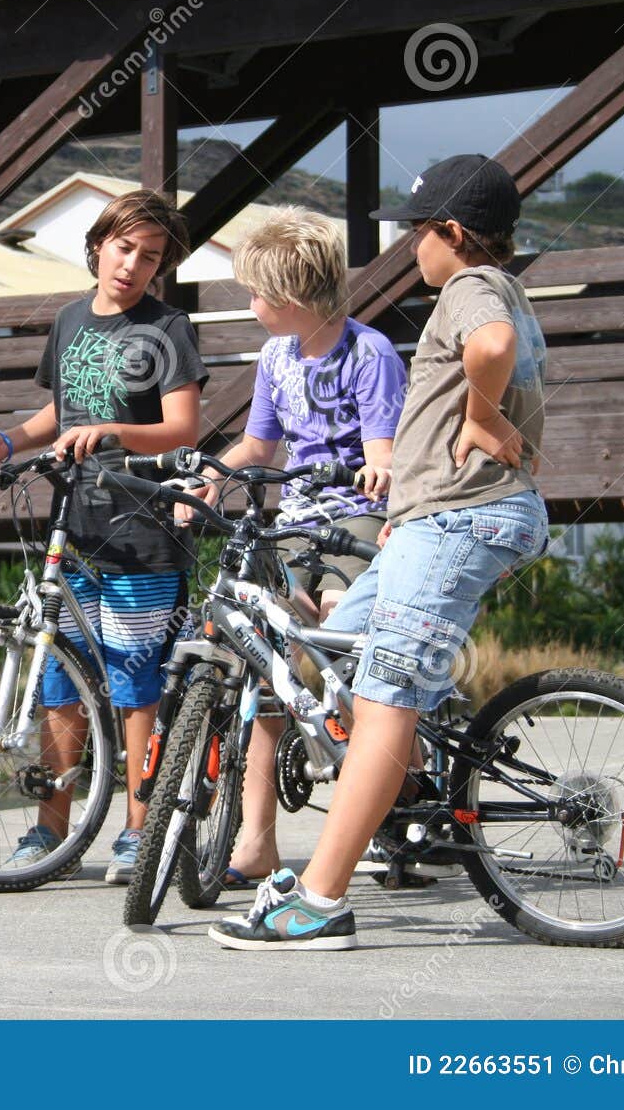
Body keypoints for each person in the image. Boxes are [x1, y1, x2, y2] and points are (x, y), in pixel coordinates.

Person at [211, 154, 549, 950]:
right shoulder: (502, 285)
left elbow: (492, 345)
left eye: (416, 232)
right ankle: (401, 793)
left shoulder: (471, 288)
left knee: (387, 696)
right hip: (433, 518)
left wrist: (481, 418)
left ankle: (320, 900)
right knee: (336, 656)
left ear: (452, 233)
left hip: (463, 517)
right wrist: (407, 508)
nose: (409, 249)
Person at [0, 189, 207, 884]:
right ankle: (51, 830)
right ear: (98, 246)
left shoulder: (168, 327)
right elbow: (61, 412)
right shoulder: (70, 320)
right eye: (124, 248)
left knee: (134, 682)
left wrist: (114, 432)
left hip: (143, 530)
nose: (133, 265)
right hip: (73, 528)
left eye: (150, 257)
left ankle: (138, 831)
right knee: (58, 679)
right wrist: (8, 441)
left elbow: (184, 428)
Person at [181, 207, 405, 889]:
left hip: (357, 517)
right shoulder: (277, 356)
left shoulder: (370, 353)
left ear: (292, 297)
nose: (250, 304)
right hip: (295, 519)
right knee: (264, 661)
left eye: (257, 293)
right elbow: (259, 444)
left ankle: (389, 805)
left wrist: (379, 470)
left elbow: (383, 450)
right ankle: (256, 841)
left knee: (339, 638)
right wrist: (211, 477)